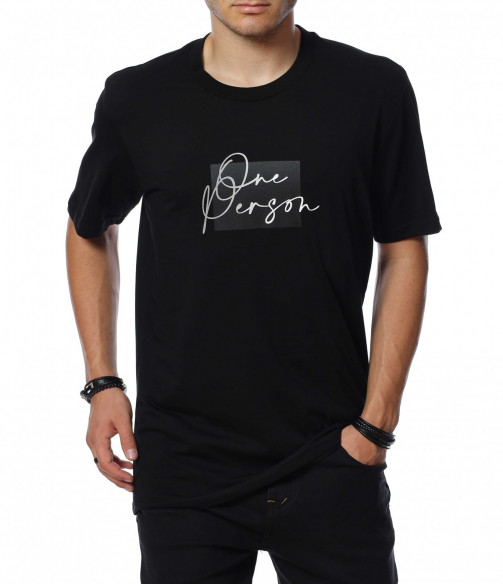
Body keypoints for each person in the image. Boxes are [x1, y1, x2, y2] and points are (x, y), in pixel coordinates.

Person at [66, 1, 442, 582]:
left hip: (334, 455)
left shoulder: (373, 88)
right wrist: (102, 382)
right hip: (184, 467)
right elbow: (89, 227)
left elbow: (403, 246)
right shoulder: (138, 97)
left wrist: (375, 425)